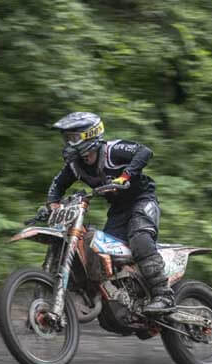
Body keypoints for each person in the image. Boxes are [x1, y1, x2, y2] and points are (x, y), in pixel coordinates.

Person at [46, 111, 174, 314]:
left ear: (90, 134)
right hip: (118, 211)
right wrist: (51, 204)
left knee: (139, 238)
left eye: (73, 138)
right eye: (66, 138)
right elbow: (58, 184)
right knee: (102, 252)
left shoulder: (112, 151)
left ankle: (164, 295)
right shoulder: (75, 165)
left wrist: (125, 176)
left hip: (142, 200)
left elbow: (144, 152)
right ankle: (125, 298)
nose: (69, 143)